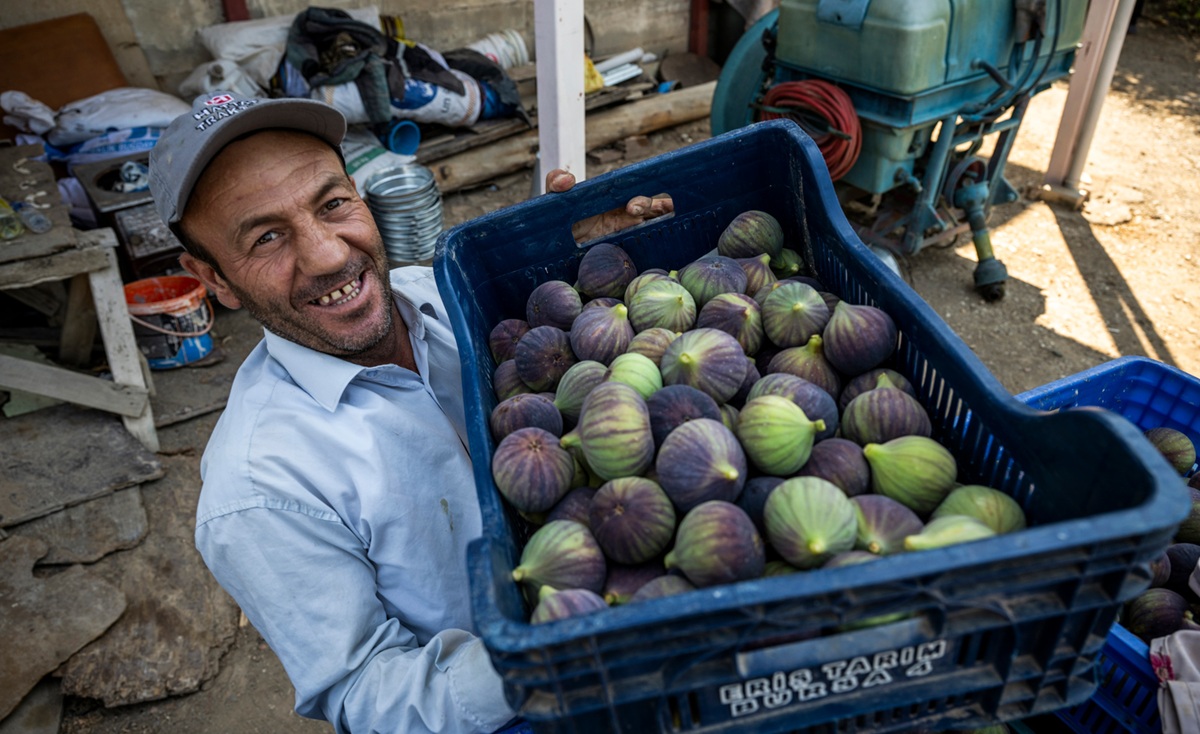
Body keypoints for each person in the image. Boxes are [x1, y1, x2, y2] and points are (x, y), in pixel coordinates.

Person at [147, 91, 672, 734]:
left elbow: (557, 342)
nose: (329, 255)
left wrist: (582, 256)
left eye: (332, 204)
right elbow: (364, 690)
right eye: (267, 237)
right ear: (215, 279)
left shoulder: (445, 291)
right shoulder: (260, 488)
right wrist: (539, 655)